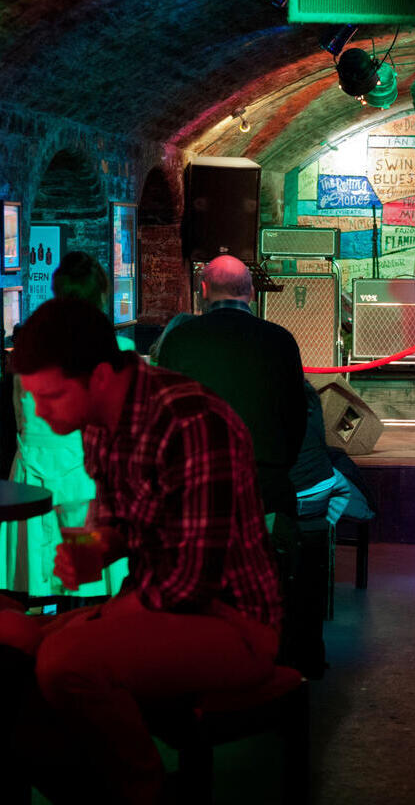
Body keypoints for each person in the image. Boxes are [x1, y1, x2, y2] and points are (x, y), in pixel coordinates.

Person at [0, 297, 282, 804]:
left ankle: (142, 791)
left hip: (233, 623)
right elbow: (120, 523)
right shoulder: (99, 423)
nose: (40, 412)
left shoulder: (191, 422)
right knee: (14, 642)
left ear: (102, 376)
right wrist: (92, 548)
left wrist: (99, 617)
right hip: (158, 602)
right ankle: (91, 786)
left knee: (64, 660)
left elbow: (189, 584)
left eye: (52, 396)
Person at [0, 251, 134, 599]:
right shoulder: (119, 351)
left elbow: (20, 416)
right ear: (100, 296)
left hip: (32, 480)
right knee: (86, 590)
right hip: (85, 484)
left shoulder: (27, 353)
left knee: (32, 590)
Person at [157, 255, 307, 517]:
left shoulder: (179, 340)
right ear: (250, 291)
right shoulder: (280, 340)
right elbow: (296, 415)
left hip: (198, 484)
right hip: (264, 485)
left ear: (203, 290)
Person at [291, 380, 375, 525]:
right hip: (315, 493)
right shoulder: (306, 392)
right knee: (338, 465)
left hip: (277, 496)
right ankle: (363, 511)